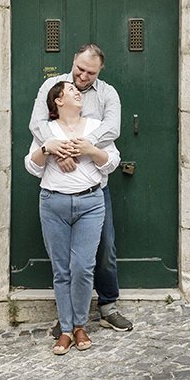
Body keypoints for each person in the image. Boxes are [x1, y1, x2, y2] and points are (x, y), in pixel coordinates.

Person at [29, 44, 135, 334]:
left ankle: (107, 307)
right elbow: (38, 123)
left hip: (94, 188)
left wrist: (82, 148)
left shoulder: (107, 94)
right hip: (57, 187)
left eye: (90, 72)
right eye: (80, 69)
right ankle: (68, 319)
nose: (83, 76)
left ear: (99, 71)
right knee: (63, 261)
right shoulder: (52, 85)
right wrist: (60, 150)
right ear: (73, 61)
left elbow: (112, 129)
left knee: (105, 249)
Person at [26, 81, 119, 354]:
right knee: (61, 269)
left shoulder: (94, 127)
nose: (77, 92)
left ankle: (81, 325)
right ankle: (66, 330)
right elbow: (31, 166)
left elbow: (111, 162)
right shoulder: (47, 131)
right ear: (57, 100)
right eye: (70, 90)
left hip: (91, 202)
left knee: (82, 267)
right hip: (53, 203)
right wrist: (48, 149)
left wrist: (90, 150)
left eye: (77, 91)